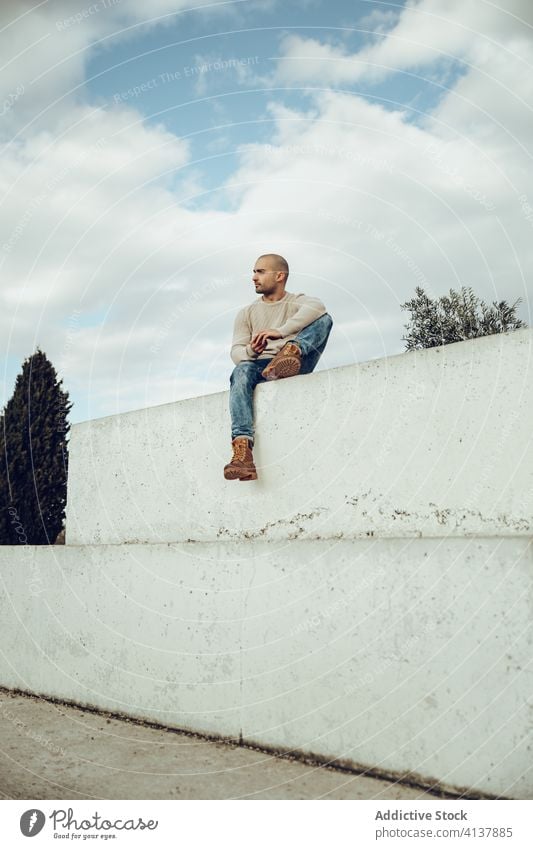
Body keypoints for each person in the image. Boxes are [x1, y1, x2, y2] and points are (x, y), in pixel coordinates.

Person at [224, 253, 333, 481]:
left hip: (298, 362)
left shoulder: (297, 301)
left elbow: (318, 307)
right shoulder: (246, 313)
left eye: (260, 271)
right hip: (263, 368)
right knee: (241, 369)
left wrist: (281, 332)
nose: (254, 277)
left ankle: (291, 353)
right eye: (253, 272)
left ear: (280, 275)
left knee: (324, 319)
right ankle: (243, 453)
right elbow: (236, 352)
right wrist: (253, 350)